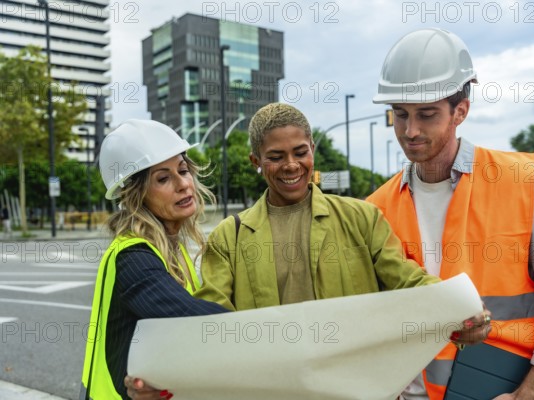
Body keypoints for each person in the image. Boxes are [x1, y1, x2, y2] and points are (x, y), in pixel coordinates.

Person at [124, 102, 492, 399]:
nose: (291, 166)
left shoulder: (362, 218)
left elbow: (408, 281)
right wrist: (162, 380)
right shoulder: (228, 238)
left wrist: (460, 310)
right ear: (256, 162)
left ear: (312, 149)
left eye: (300, 152)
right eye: (275, 156)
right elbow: (210, 329)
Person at [367, 28, 534, 400]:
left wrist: (532, 394)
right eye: (400, 114)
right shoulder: (374, 207)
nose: (410, 130)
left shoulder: (524, 182)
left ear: (461, 110)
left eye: (426, 114)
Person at [80, 119, 228, 400]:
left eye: (183, 170)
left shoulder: (171, 248)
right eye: (163, 178)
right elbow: (191, 319)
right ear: (137, 195)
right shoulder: (133, 258)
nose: (184, 184)